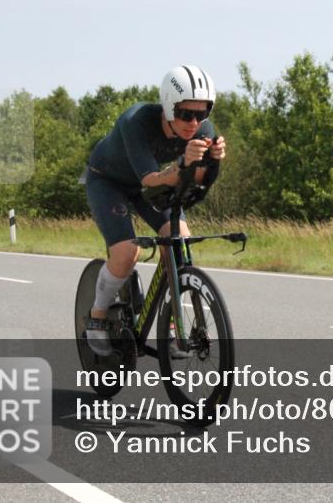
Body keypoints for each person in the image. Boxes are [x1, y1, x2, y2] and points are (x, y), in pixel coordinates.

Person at [83, 65, 226, 356]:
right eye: (186, 113)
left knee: (180, 241)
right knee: (126, 253)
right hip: (108, 180)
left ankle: (173, 326)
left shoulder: (202, 130)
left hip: (148, 185)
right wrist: (183, 165)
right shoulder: (136, 120)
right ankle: (96, 317)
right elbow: (150, 180)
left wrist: (213, 164)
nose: (194, 122)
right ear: (168, 107)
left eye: (202, 113)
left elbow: (195, 185)